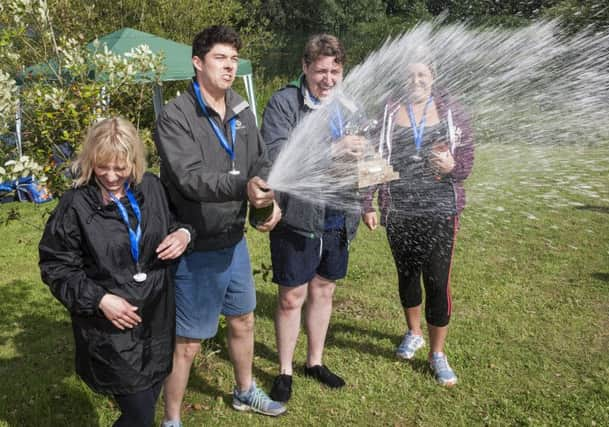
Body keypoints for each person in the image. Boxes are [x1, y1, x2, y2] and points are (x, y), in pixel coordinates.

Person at [153, 26, 285, 424]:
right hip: (194, 245)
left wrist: (267, 196)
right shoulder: (175, 116)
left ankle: (245, 391)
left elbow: (261, 160)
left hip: (233, 241)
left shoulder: (242, 109)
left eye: (233, 60)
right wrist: (242, 186)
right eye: (220, 59)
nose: (229, 67)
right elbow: (190, 177)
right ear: (197, 63)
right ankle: (172, 417)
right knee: (189, 342)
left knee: (244, 319)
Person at [39, 117, 192, 427]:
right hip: (110, 328)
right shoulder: (76, 205)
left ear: (133, 161)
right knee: (137, 412)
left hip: (156, 319)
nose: (110, 176)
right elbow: (56, 266)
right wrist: (99, 299)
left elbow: (177, 222)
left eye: (120, 168)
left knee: (146, 407)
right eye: (102, 167)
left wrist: (183, 235)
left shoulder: (150, 187)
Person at [261, 34, 366, 403]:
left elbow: (365, 153)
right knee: (292, 297)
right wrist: (332, 149)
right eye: (320, 70)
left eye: (335, 70)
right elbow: (276, 156)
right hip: (298, 216)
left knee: (324, 289)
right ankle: (285, 370)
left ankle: (315, 362)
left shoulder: (350, 105)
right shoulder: (284, 103)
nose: (328, 78)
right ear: (305, 67)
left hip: (339, 213)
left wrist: (369, 189)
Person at [362, 62, 474, 387]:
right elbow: (375, 156)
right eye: (410, 75)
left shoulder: (451, 111)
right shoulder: (389, 111)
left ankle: (438, 354)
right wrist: (367, 202)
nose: (416, 80)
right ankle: (414, 333)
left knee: (437, 281)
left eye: (422, 74)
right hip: (399, 209)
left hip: (441, 209)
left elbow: (467, 158)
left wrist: (454, 166)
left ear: (433, 77)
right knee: (407, 275)